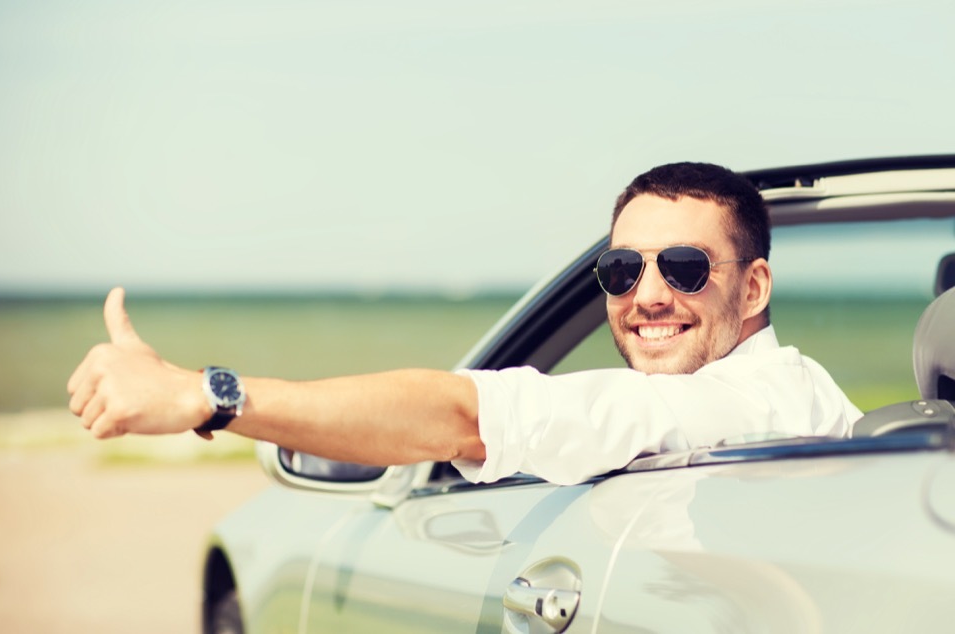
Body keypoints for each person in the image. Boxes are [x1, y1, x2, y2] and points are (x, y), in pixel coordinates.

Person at [68, 162, 863, 485]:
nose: (647, 295)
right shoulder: (808, 398)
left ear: (754, 286)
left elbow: (461, 417)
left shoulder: (747, 406)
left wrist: (206, 393)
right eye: (623, 271)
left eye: (685, 267)